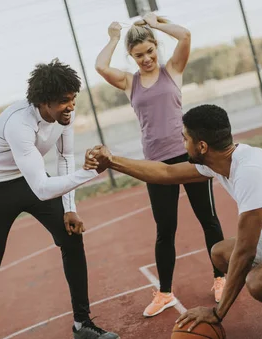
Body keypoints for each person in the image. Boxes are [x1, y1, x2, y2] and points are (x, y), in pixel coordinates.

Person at [84, 104, 262, 331]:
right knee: (221, 253)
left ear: (202, 146)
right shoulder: (221, 162)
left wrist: (217, 313)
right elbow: (166, 172)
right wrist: (112, 161)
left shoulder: (249, 172)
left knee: (259, 284)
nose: (182, 145)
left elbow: (246, 251)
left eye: (185, 139)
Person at [0, 59, 120, 339]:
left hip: (29, 179)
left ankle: (82, 325)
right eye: (64, 101)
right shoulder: (18, 123)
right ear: (43, 102)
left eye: (73, 99)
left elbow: (64, 157)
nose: (70, 106)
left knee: (72, 236)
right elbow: (41, 188)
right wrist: (90, 172)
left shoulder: (64, 115)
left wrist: (69, 207)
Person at [94, 13, 226, 316]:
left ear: (156, 47)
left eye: (150, 51)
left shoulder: (173, 70)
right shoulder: (130, 82)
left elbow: (185, 36)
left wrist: (154, 23)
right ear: (132, 56)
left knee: (208, 219)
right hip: (155, 163)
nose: (147, 58)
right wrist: (114, 37)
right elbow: (101, 66)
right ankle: (165, 292)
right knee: (165, 229)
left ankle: (220, 278)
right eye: (139, 55)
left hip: (188, 156)